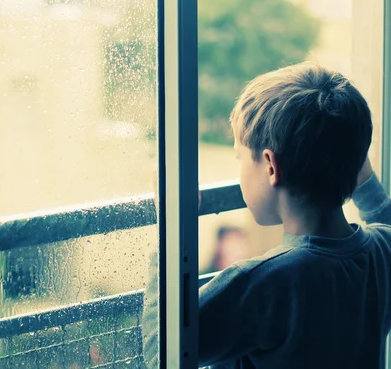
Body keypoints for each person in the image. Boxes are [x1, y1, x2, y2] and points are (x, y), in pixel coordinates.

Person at [143, 62, 391, 368]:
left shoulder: (263, 285)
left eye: (240, 157)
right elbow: (385, 218)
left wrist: (171, 222)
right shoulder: (381, 253)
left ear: (271, 167)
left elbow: (163, 352)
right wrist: (348, 154)